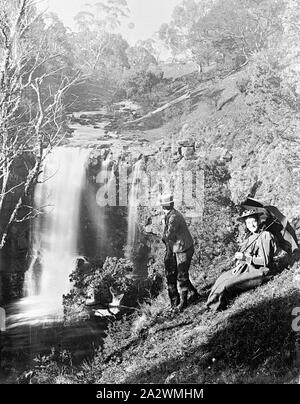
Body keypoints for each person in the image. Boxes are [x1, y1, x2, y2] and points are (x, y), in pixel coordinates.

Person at [206, 209, 277, 311]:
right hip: (247, 267)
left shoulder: (265, 236)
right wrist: (239, 264)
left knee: (226, 285)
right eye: (248, 223)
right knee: (221, 278)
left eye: (254, 221)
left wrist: (245, 257)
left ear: (259, 221)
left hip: (260, 271)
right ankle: (210, 305)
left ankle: (217, 307)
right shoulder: (251, 237)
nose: (251, 225)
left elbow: (265, 262)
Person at [160, 194, 200, 311]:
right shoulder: (171, 215)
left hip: (184, 249)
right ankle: (193, 294)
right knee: (177, 274)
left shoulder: (173, 217)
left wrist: (163, 226)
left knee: (181, 275)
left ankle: (183, 303)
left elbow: (168, 236)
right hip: (178, 248)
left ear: (164, 206)